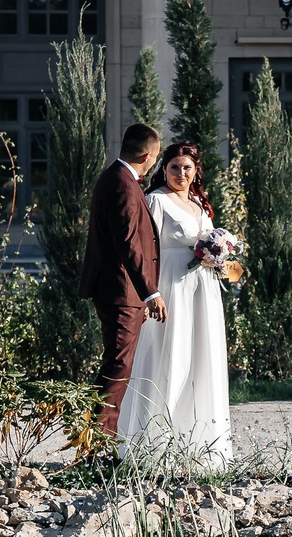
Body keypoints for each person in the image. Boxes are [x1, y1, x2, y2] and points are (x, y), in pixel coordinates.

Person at [117, 139, 233, 466]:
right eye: (173, 167)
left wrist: (223, 260)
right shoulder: (156, 201)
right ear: (163, 169)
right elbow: (143, 247)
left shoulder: (199, 203)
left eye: (186, 168)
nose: (180, 174)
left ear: (196, 171)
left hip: (203, 291)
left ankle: (200, 447)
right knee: (169, 357)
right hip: (171, 286)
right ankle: (153, 446)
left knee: (201, 359)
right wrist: (150, 293)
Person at [81, 122, 162, 434]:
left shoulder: (116, 177)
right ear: (145, 155)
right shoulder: (123, 184)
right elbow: (128, 243)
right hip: (120, 291)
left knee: (118, 364)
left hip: (118, 289)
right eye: (154, 157)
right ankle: (95, 443)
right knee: (118, 366)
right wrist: (150, 293)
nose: (153, 163)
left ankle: (97, 437)